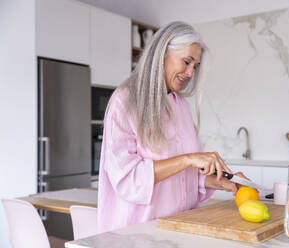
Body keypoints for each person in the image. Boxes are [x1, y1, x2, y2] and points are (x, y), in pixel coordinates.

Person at [97, 21, 248, 233]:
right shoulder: (125, 101)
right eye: (186, 62)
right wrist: (188, 160)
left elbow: (183, 180)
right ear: (162, 54)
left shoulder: (181, 107)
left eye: (194, 66)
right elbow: (128, 180)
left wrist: (219, 182)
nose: (190, 73)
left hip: (179, 229)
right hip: (137, 234)